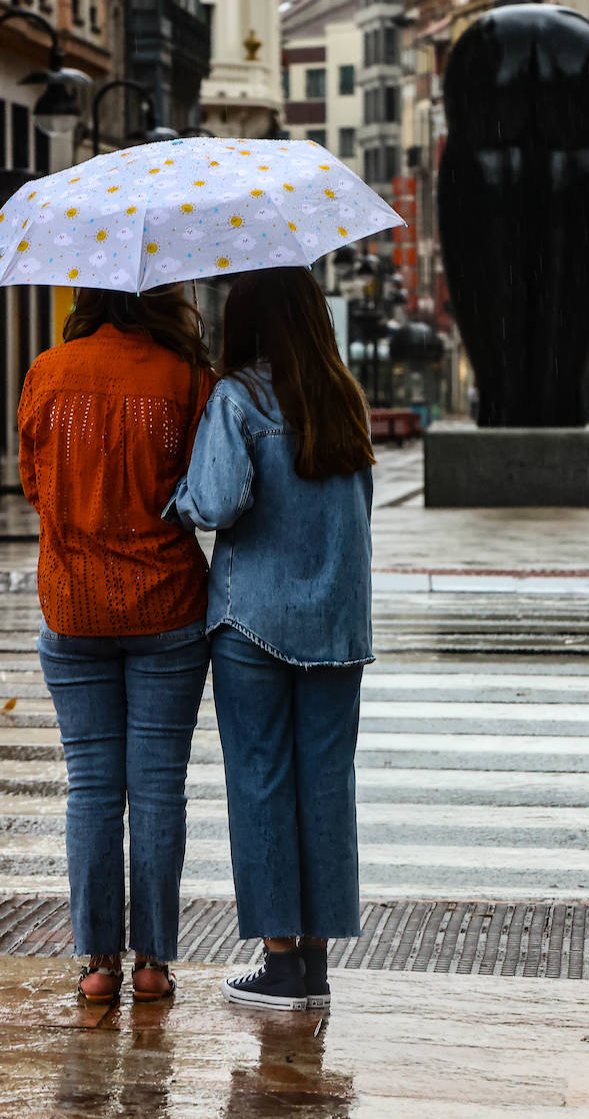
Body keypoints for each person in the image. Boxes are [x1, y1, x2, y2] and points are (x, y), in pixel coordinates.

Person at [168, 267, 374, 1012]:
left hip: (252, 619)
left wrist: (181, 495)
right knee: (326, 784)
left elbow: (217, 502)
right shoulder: (344, 398)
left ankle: (279, 962)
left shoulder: (237, 398)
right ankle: (314, 962)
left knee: (259, 781)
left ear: (247, 322)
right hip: (338, 623)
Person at [18, 285, 214, 1004]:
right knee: (159, 787)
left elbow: (34, 486)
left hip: (72, 606)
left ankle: (98, 965)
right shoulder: (187, 378)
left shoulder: (47, 372)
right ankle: (153, 962)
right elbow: (207, 487)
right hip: (167, 606)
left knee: (92, 787)